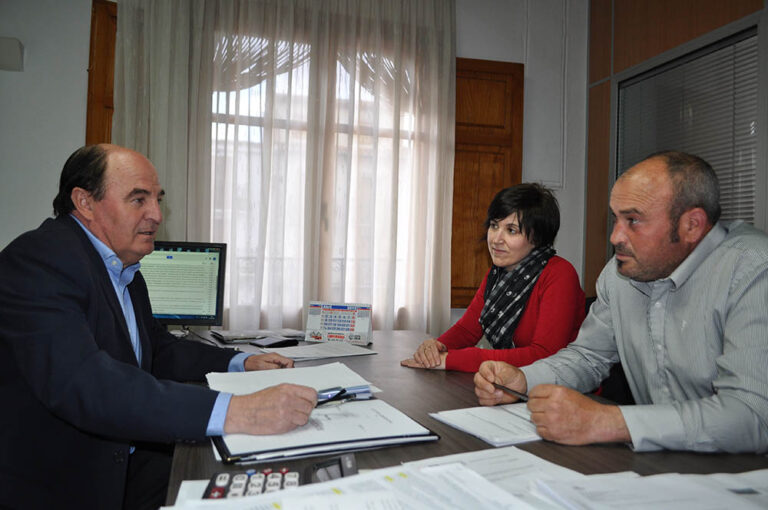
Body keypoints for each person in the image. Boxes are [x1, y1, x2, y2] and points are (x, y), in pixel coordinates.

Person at [0, 144, 318, 509]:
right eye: (139, 199)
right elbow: (86, 382)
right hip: (63, 482)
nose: (156, 214)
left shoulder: (124, 268)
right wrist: (240, 410)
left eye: (157, 199)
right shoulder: (39, 261)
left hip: (129, 459)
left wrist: (240, 362)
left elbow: (159, 349)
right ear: (85, 202)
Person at [474, 151, 768, 453]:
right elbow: (588, 357)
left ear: (691, 225)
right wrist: (523, 380)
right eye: (616, 218)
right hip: (662, 463)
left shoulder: (754, 270)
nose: (615, 237)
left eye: (633, 220)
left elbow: (752, 414)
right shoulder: (619, 275)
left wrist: (609, 422)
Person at [401, 183, 585, 373]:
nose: (496, 239)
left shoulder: (560, 274)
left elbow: (544, 355)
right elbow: (468, 330)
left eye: (511, 230)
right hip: (512, 381)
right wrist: (436, 348)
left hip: (563, 386)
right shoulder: (497, 273)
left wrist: (452, 359)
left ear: (537, 238)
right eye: (494, 225)